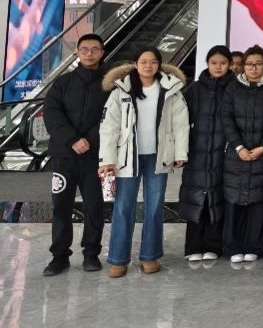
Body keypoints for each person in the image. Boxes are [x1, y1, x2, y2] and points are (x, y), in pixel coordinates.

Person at [99, 47, 189, 278]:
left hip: (158, 155)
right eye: (144, 61)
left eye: (153, 62)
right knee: (123, 207)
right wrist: (107, 159)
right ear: (135, 64)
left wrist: (180, 152)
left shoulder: (171, 89)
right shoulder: (121, 90)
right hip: (127, 157)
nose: (148, 66)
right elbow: (109, 127)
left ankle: (150, 256)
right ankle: (118, 259)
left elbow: (181, 124)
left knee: (154, 206)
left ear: (159, 64)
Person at [42, 33, 108, 276]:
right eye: (84, 49)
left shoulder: (111, 83)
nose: (89, 53)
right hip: (64, 155)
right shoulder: (63, 82)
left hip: (95, 157)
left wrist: (89, 140)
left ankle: (91, 254)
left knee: (94, 206)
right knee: (61, 206)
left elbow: (112, 117)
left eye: (94, 49)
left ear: (102, 52)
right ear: (77, 53)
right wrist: (72, 139)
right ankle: (59, 257)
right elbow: (52, 112)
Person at [221, 45, 263, 266]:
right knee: (234, 201)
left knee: (259, 201)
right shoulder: (233, 87)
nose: (253, 68)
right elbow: (227, 118)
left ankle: (255, 246)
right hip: (236, 155)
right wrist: (239, 147)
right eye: (249, 64)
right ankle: (234, 246)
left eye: (258, 64)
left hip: (262, 154)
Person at [178, 45, 233, 266]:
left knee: (217, 199)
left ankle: (213, 245)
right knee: (196, 198)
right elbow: (179, 120)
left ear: (229, 65)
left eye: (223, 63)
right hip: (197, 153)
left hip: (223, 153)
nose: (218, 67)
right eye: (214, 63)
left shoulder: (234, 88)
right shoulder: (194, 89)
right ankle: (193, 246)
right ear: (207, 63)